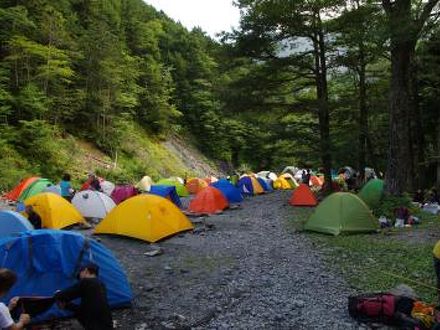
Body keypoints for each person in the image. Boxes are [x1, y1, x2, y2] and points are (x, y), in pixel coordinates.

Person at [54, 263, 113, 330]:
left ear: (86, 270)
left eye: (80, 273)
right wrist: (66, 306)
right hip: (107, 324)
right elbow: (85, 309)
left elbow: (64, 295)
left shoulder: (86, 282)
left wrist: (57, 294)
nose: (80, 278)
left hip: (93, 325)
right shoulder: (101, 284)